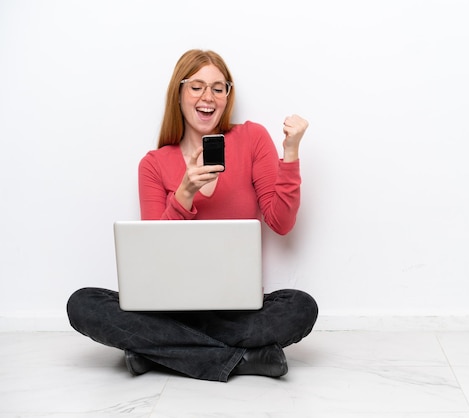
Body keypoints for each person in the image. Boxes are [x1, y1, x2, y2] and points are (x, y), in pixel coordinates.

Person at [66, 49, 318, 382]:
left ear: (228, 96)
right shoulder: (154, 164)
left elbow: (281, 223)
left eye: (218, 87)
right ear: (179, 93)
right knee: (82, 303)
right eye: (196, 86)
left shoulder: (252, 138)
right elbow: (152, 256)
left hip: (234, 308)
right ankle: (245, 359)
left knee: (300, 306)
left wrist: (290, 153)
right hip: (168, 307)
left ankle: (156, 354)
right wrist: (184, 193)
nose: (208, 97)